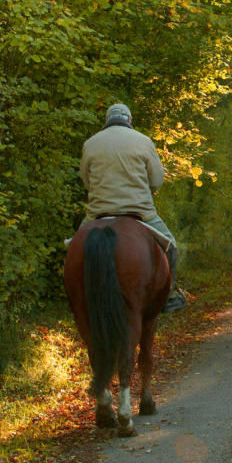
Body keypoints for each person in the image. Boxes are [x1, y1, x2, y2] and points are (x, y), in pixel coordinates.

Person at [79, 103, 186, 313]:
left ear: (107, 121)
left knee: (73, 247)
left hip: (97, 213)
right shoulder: (143, 141)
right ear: (129, 120)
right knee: (171, 246)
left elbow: (86, 181)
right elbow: (156, 181)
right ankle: (168, 296)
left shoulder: (90, 143)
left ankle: (76, 297)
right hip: (140, 213)